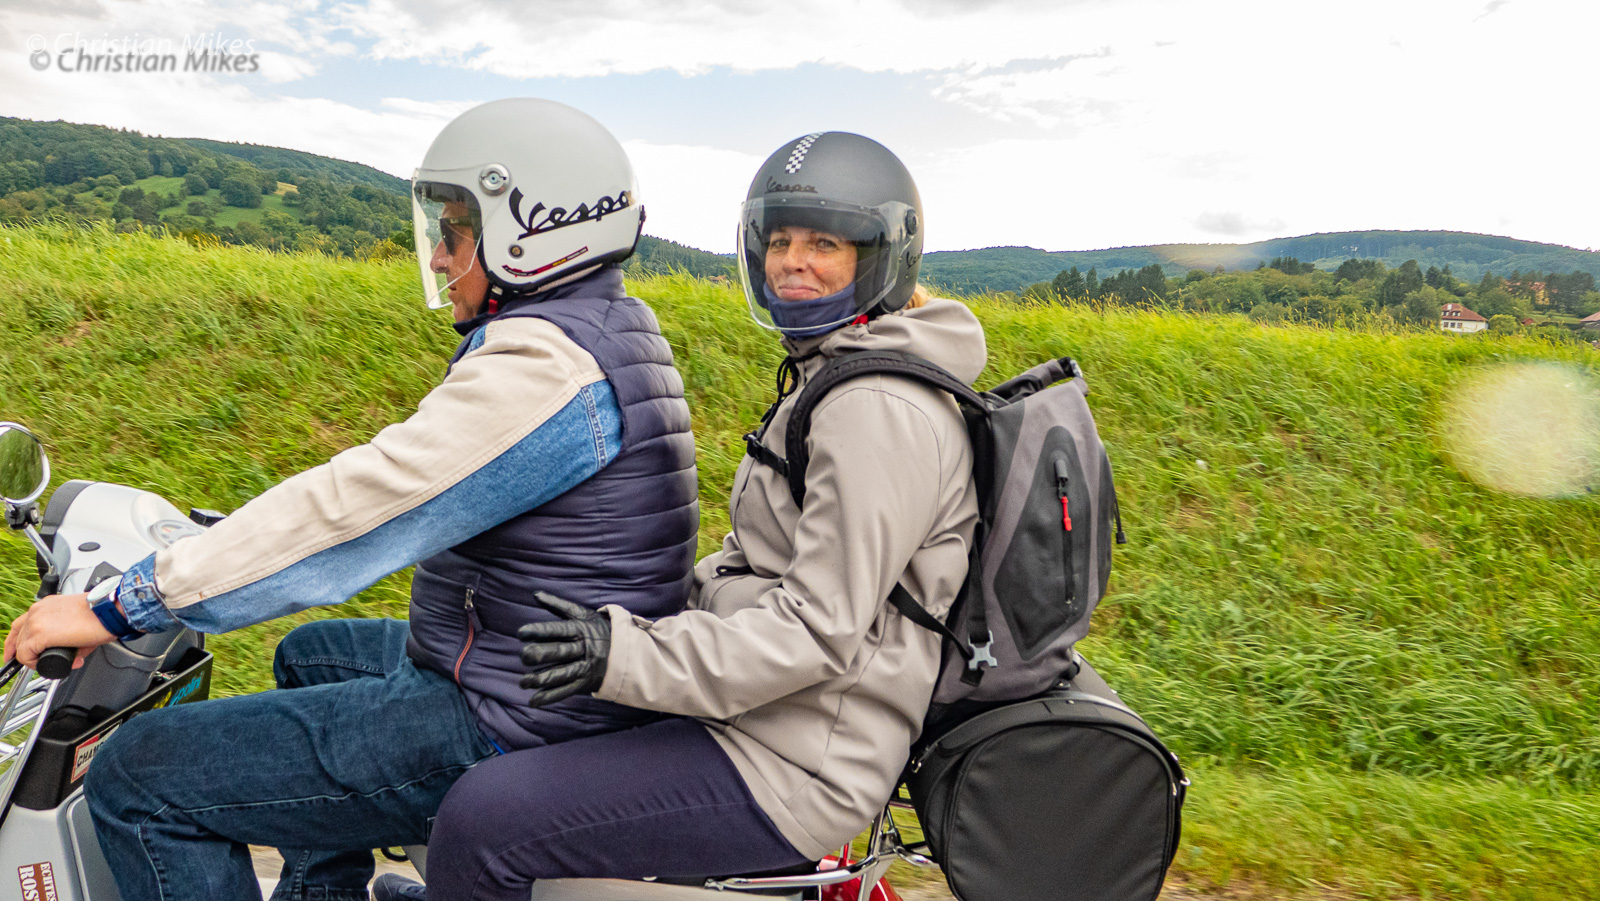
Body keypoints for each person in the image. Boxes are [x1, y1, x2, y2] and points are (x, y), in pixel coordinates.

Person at [0, 98, 699, 901]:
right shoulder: (605, 328)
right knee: (310, 653)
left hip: (513, 720)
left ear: (531, 231)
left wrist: (122, 606)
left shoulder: (549, 371)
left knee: (140, 774)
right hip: (538, 676)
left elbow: (356, 510)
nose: (439, 256)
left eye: (456, 232)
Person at [381, 131, 987, 901]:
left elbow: (814, 631)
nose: (792, 261)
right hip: (764, 716)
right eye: (779, 240)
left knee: (484, 816)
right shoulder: (835, 373)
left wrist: (624, 655)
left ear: (881, 256)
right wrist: (629, 618)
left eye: (824, 243)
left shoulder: (876, 408)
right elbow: (759, 570)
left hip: (793, 764)